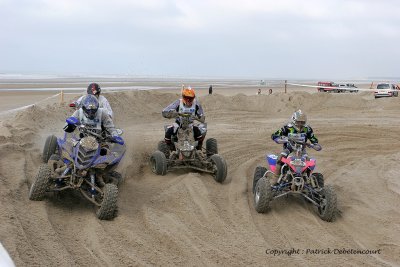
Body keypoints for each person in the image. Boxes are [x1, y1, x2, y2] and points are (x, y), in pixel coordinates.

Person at [270, 110, 321, 184]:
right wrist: (280, 139)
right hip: (289, 149)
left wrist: (314, 145)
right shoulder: (287, 127)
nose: (300, 124)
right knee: (280, 159)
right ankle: (275, 179)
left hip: (302, 150)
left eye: (302, 122)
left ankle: (309, 182)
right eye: (298, 122)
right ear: (293, 120)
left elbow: (314, 140)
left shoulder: (308, 129)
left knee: (309, 163)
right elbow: (274, 135)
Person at [162, 86, 206, 150]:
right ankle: (170, 149)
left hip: (190, 125)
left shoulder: (196, 104)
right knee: (168, 132)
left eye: (190, 98)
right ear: (183, 97)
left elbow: (202, 118)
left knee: (199, 134)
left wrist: (196, 118)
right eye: (186, 98)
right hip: (178, 124)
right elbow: (164, 112)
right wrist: (172, 114)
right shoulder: (178, 102)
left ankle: (199, 149)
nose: (188, 100)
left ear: (193, 98)